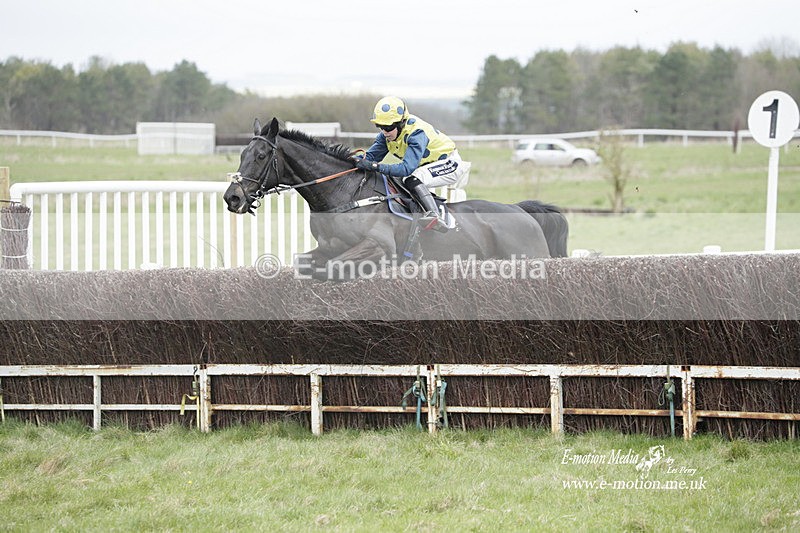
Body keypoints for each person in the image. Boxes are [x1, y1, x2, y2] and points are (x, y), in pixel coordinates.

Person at [354, 96, 470, 232]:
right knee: (400, 181)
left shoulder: (416, 133)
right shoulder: (386, 136)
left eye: (388, 127)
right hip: (427, 166)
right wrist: (350, 160)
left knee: (411, 178)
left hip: (449, 163)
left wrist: (375, 167)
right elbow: (371, 157)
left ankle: (434, 215)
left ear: (401, 123)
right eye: (380, 126)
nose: (385, 131)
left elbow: (406, 168)